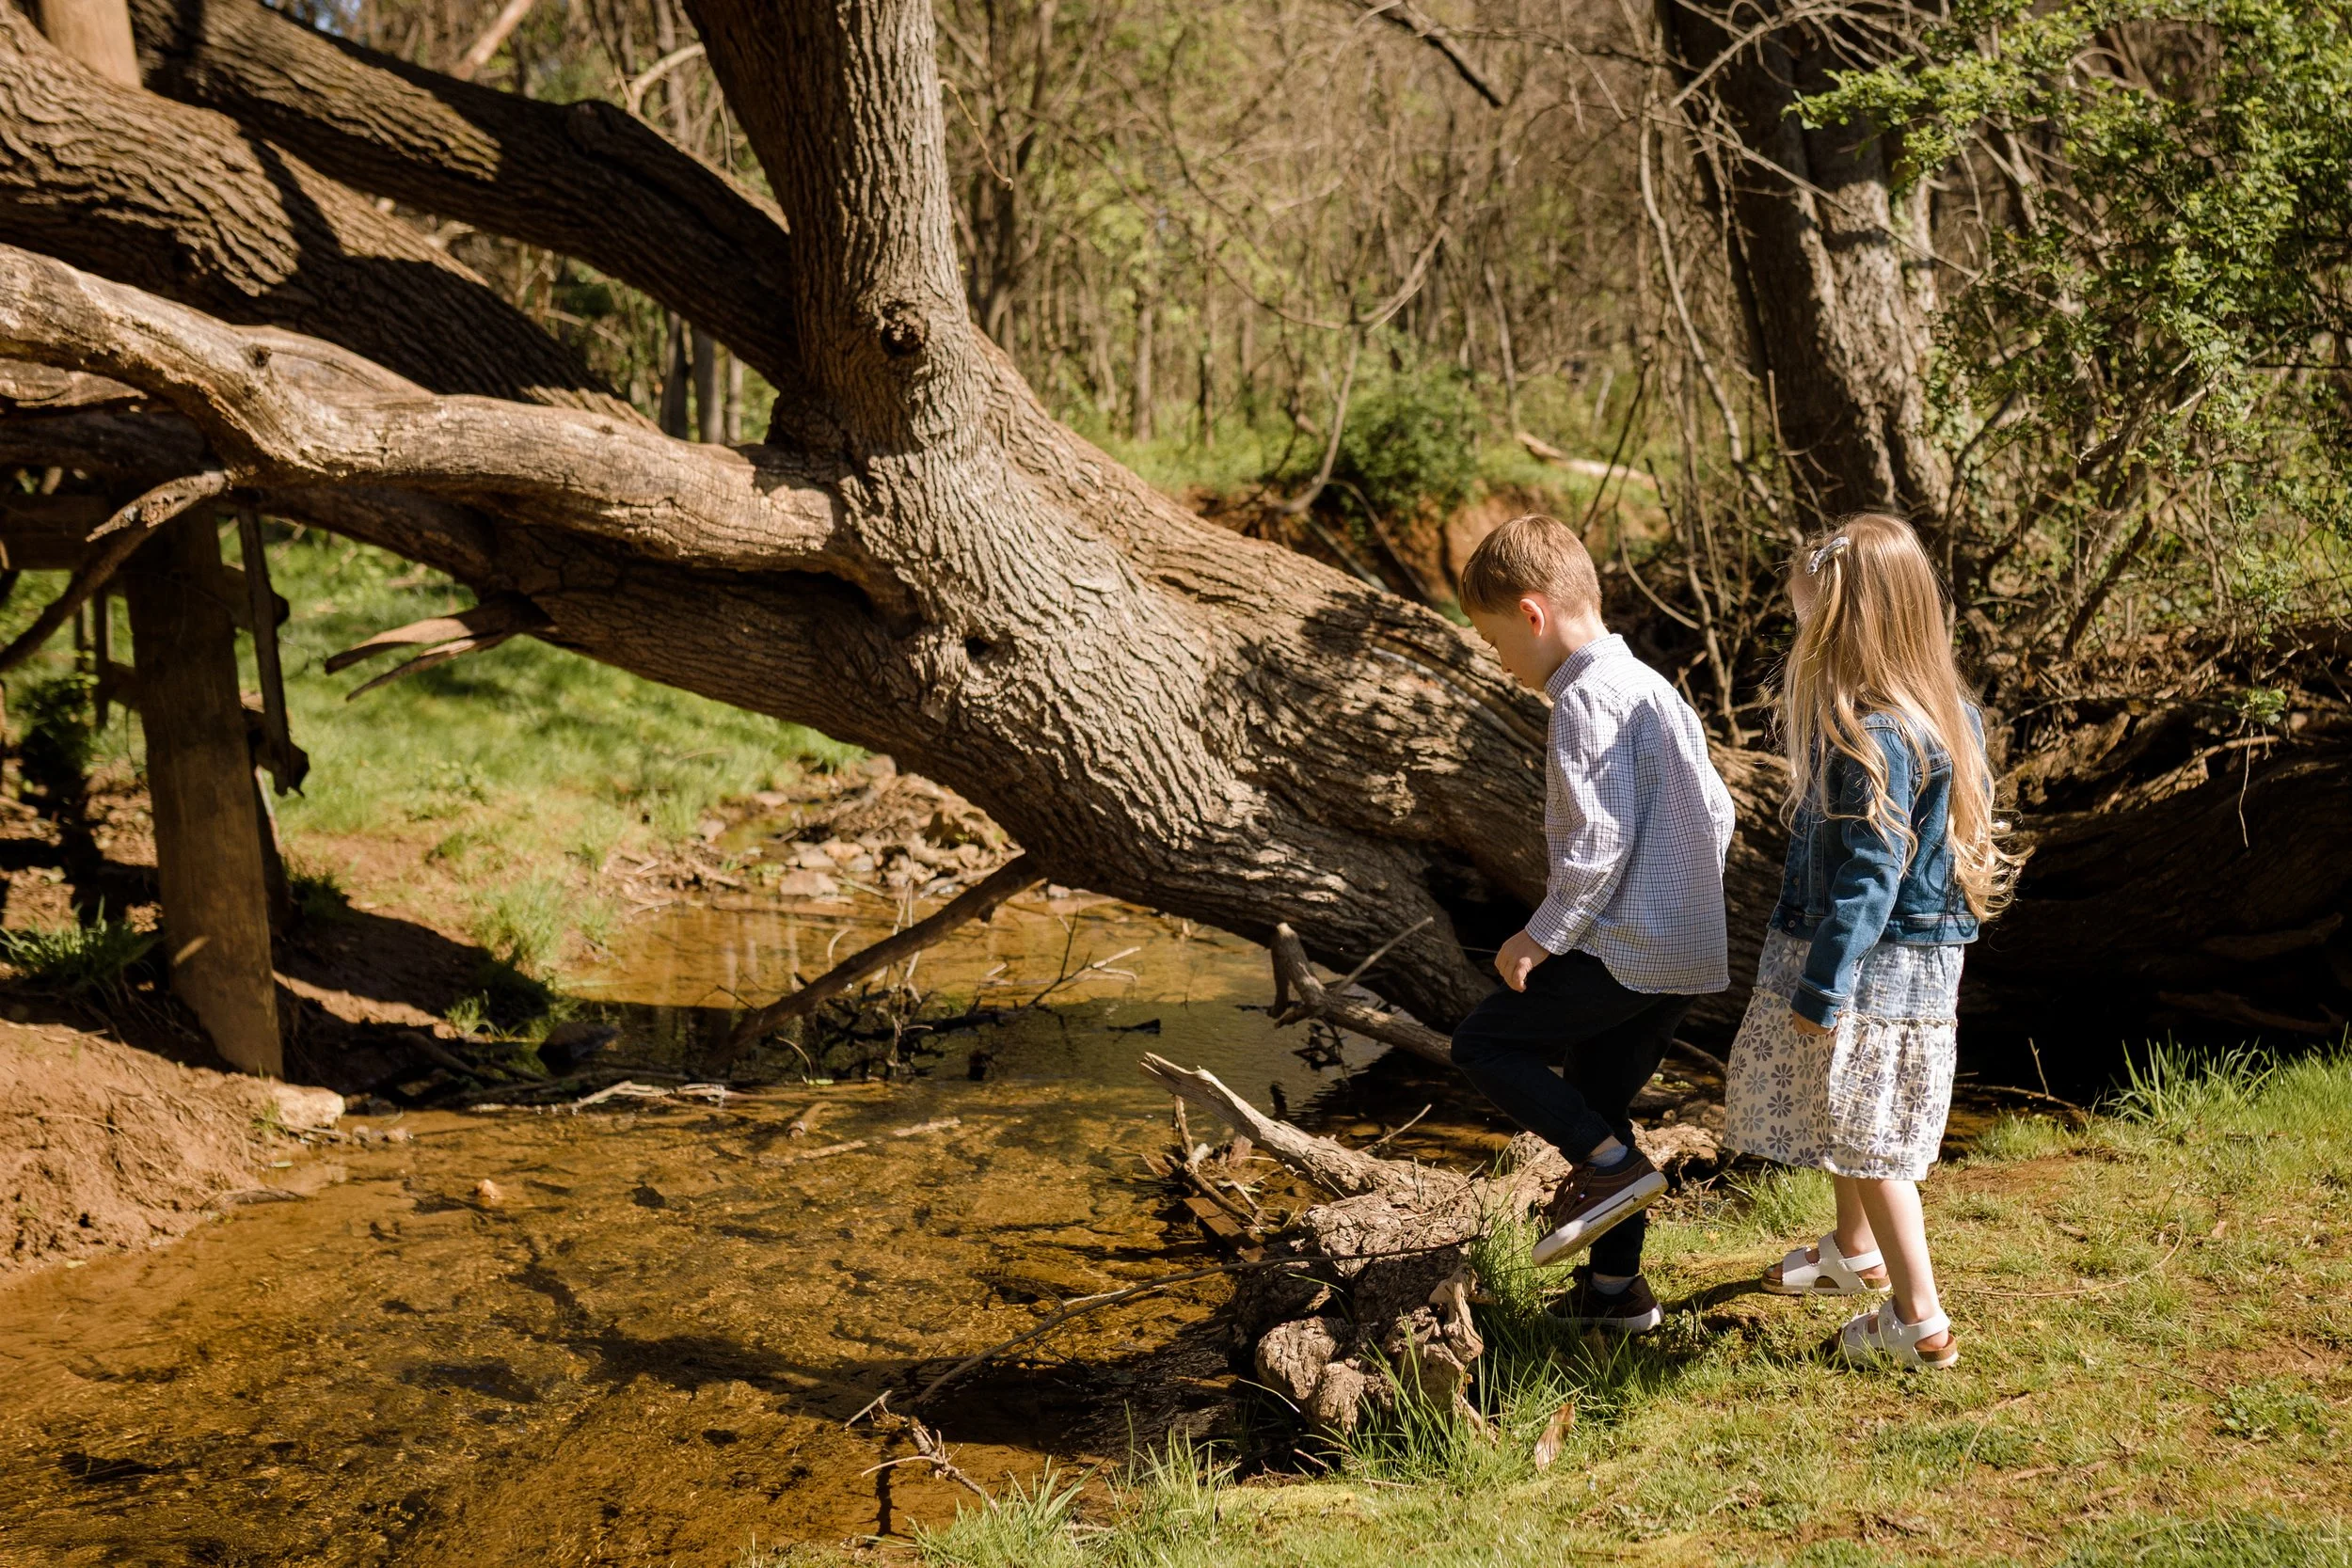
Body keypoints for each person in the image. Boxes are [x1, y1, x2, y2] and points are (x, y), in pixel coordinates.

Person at [1723, 513, 2013, 1370]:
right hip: (1915, 963)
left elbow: (1870, 875)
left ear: (1852, 625)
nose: (1802, 636)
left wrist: (1823, 985)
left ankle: (1919, 1316)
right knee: (1844, 1111)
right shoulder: (1948, 711)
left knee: (1877, 1136)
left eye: (1811, 619)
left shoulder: (1873, 729)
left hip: (1869, 965)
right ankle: (1855, 1251)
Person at [1451, 514, 1738, 1335]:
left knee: (1484, 1044)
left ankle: (1609, 1169)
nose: (1501, 662)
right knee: (1602, 1104)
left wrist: (1539, 934)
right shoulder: (1654, 686)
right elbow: (1717, 812)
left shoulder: (1581, 698)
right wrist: (1685, 903)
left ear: (1534, 616)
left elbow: (1595, 844)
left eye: (1496, 640)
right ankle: (1617, 1294)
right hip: (1685, 957)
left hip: (1625, 950)